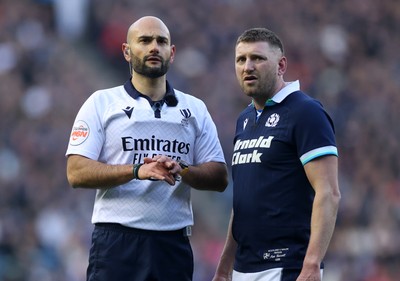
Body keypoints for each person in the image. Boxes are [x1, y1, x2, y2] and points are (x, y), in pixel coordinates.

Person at [66, 16, 228, 281]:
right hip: (117, 242)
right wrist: (136, 170)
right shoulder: (101, 102)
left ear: (172, 53)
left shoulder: (195, 108)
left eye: (161, 41)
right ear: (126, 52)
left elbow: (219, 177)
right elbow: (75, 172)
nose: (154, 47)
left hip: (172, 244)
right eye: (144, 40)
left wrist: (183, 169)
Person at [212, 28, 341, 281]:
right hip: (243, 268)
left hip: (288, 266)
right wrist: (225, 266)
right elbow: (243, 202)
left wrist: (312, 264)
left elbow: (329, 192)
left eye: (257, 58)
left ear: (281, 65)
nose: (248, 66)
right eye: (241, 59)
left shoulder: (306, 112)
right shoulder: (245, 120)